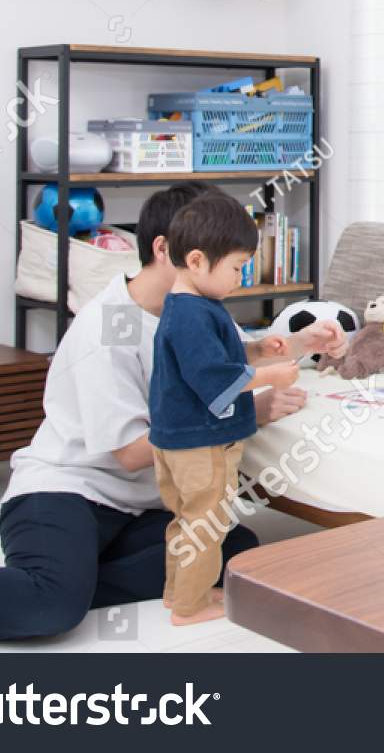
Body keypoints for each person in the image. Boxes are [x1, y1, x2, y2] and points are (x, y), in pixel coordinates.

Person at [0, 182, 347, 641]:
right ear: (169, 250)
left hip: (139, 506)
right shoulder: (110, 326)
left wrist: (303, 342)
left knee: (234, 550)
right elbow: (128, 455)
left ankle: (65, 579)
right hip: (68, 492)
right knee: (52, 605)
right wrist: (251, 408)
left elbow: (231, 357)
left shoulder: (198, 306)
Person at [148, 193, 294, 626]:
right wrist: (272, 376)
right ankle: (192, 607)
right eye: (235, 267)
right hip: (200, 443)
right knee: (206, 523)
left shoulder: (188, 307)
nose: (240, 277)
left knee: (186, 520)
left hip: (176, 440)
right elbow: (215, 380)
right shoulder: (193, 314)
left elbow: (212, 359)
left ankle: (178, 593)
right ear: (196, 261)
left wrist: (257, 349)